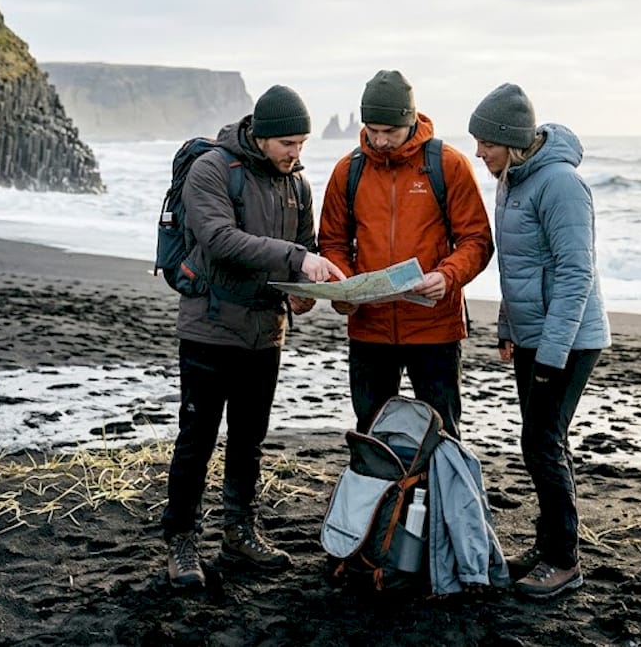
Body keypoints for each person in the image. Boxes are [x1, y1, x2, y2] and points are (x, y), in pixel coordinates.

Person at [162, 85, 346, 589]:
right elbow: (218, 240)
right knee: (196, 440)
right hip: (209, 328)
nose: (296, 153)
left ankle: (239, 532)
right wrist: (296, 260)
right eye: (288, 143)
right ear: (262, 136)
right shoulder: (213, 170)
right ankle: (181, 540)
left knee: (249, 440)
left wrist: (304, 290)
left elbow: (303, 248)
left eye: (303, 144)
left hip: (266, 334)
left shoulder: (298, 185)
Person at [468, 82, 611, 599]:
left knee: (541, 442)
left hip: (569, 338)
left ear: (509, 138)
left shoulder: (561, 185)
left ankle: (563, 560)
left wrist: (551, 354)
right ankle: (548, 545)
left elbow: (576, 275)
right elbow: (519, 267)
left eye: (485, 142)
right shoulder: (512, 180)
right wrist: (510, 326)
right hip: (534, 334)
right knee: (541, 442)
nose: (478, 152)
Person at [319, 70, 495, 438]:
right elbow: (333, 242)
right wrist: (343, 284)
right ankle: (382, 498)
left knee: (441, 436)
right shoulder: (347, 171)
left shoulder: (448, 164)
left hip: (435, 330)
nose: (380, 140)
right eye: (372, 130)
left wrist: (446, 276)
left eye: (390, 132)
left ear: (411, 120)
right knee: (372, 435)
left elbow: (477, 241)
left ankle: (436, 498)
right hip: (369, 329)